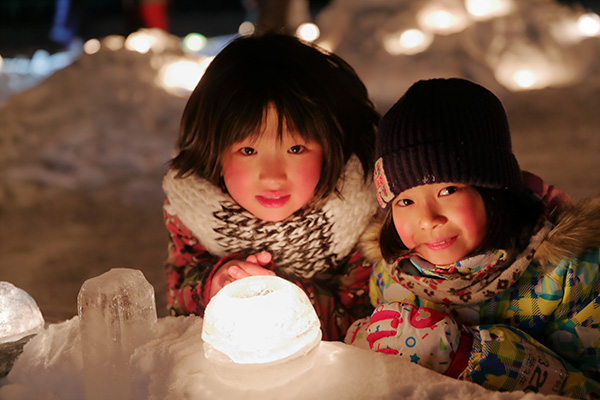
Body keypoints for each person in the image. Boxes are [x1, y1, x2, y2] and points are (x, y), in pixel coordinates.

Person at [345, 78, 600, 398]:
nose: (428, 219)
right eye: (404, 201)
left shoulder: (572, 274)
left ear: (493, 190)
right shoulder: (391, 274)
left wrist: (470, 354)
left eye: (448, 190)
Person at [162, 33, 380, 341]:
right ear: (215, 151)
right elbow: (177, 304)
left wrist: (278, 292)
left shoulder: (357, 211)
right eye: (248, 151)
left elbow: (363, 324)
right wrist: (216, 284)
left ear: (330, 147)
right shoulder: (194, 211)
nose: (273, 177)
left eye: (296, 149)